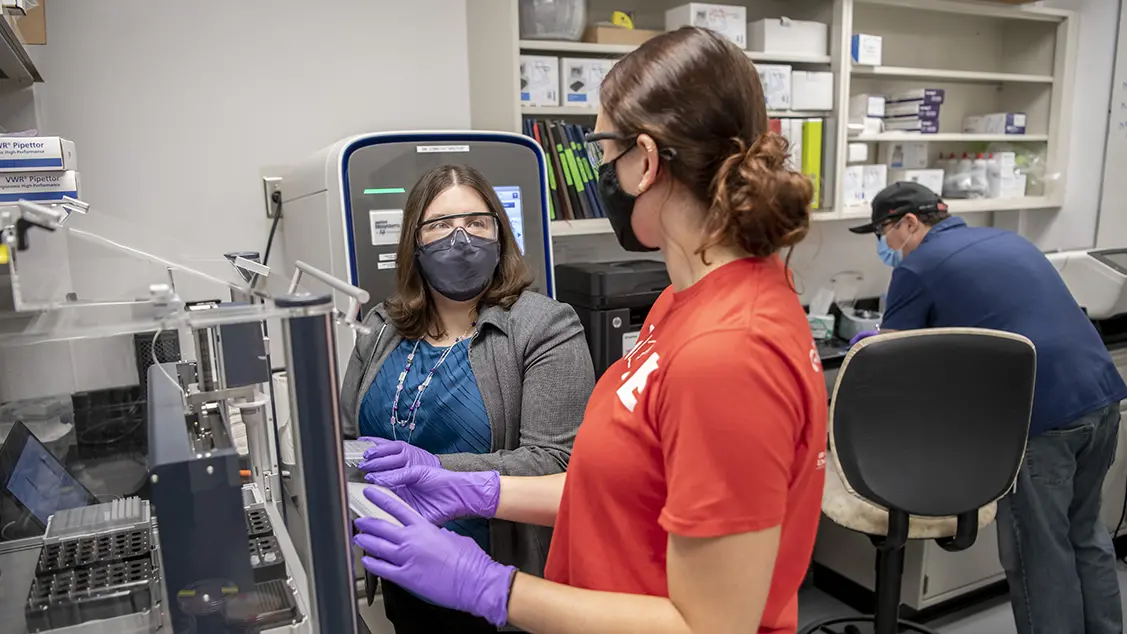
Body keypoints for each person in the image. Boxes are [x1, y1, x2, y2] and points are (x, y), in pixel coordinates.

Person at [351, 27, 828, 633]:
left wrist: (490, 586)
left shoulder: (730, 352)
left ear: (646, 161)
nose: (601, 170)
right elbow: (623, 486)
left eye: (604, 152)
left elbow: (708, 626)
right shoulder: (683, 304)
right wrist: (475, 491)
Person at [848, 181, 1127, 634]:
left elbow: (891, 362)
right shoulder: (1008, 240)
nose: (886, 247)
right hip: (1100, 397)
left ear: (909, 223)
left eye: (885, 234)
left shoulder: (917, 268)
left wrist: (875, 340)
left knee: (1039, 552)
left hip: (1041, 417)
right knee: (1087, 535)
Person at [338, 163, 595, 633]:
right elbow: (348, 436)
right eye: (440, 225)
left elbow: (557, 462)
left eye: (476, 223)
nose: (461, 238)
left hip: (496, 588)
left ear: (499, 237)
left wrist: (436, 471)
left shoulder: (545, 327)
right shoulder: (380, 328)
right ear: (415, 245)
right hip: (401, 574)